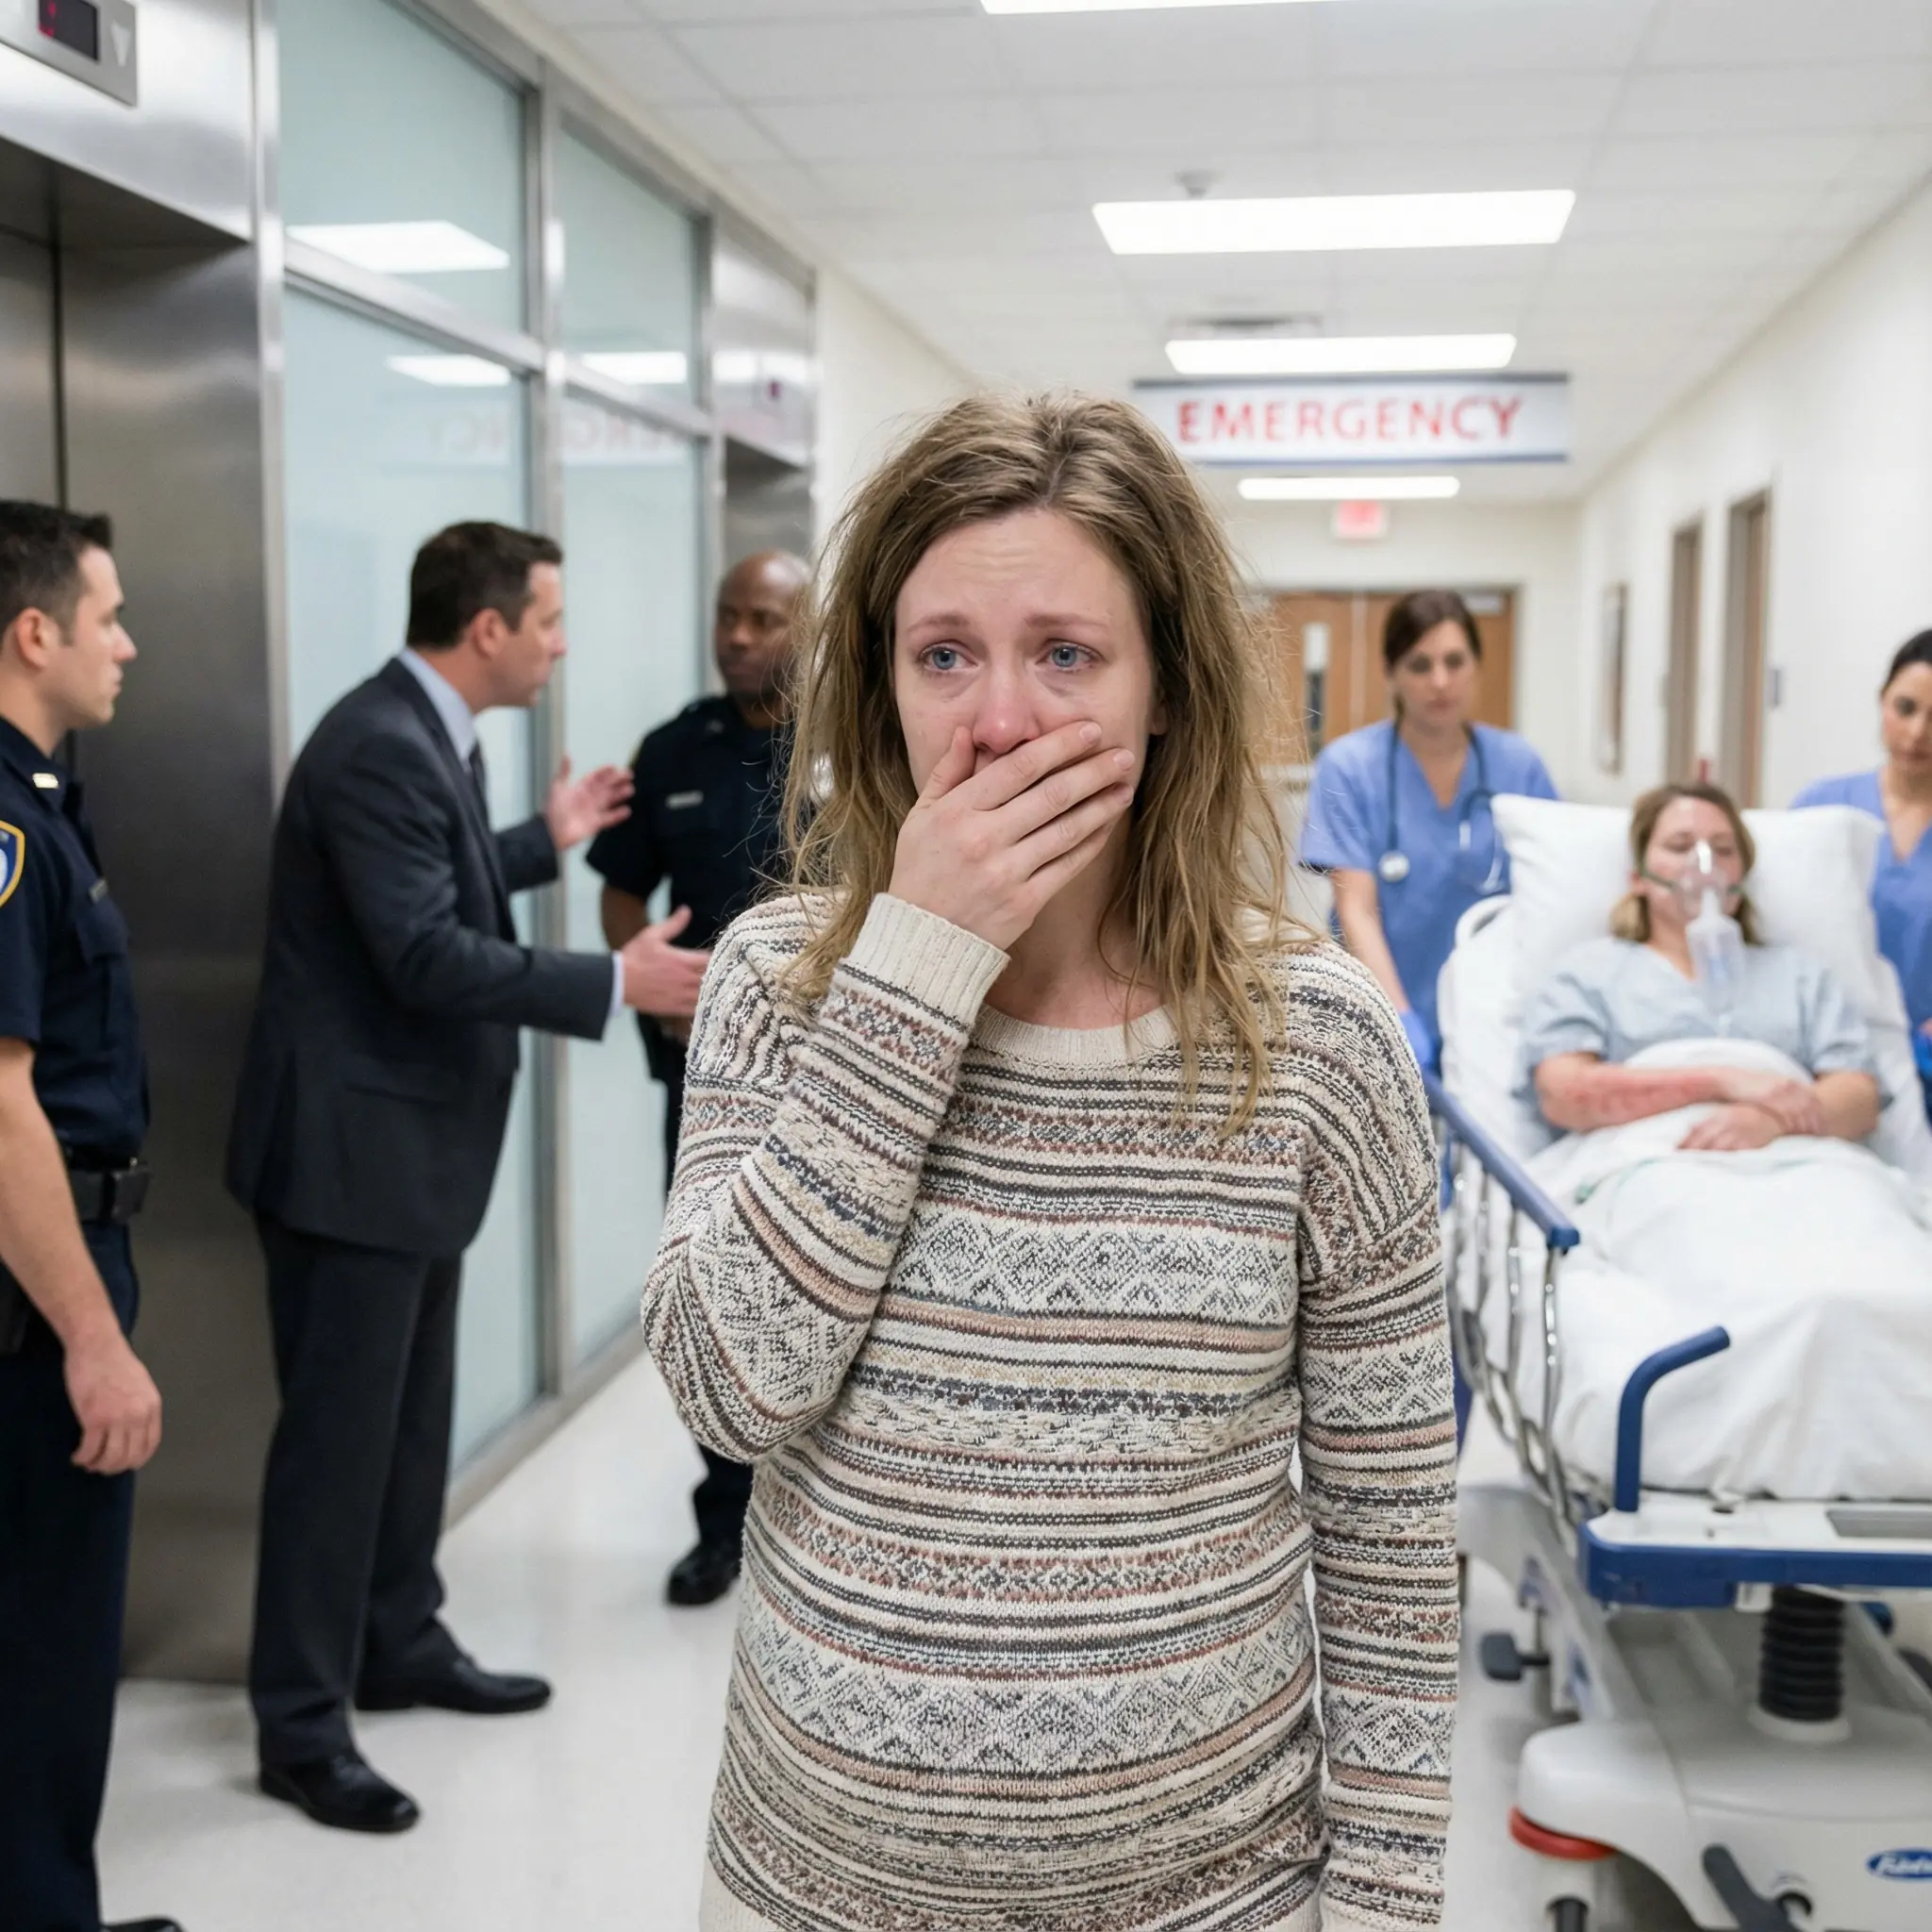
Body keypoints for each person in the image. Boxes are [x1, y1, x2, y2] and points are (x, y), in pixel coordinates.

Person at [643, 393, 1458, 1932]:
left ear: (1164, 694)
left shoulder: (1318, 1046)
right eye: (943, 653)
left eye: (1065, 654)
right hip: (813, 1885)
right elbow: (723, 1392)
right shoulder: (772, 984)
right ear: (881, 690)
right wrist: (912, 972)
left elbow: (1392, 1544)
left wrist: (1385, 1901)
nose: (998, 720)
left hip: (1211, 1893)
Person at [226, 521, 708, 1836]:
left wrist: (537, 840)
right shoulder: (380, 740)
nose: (561, 644)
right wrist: (617, 980)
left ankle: (397, 1637)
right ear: (486, 628)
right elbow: (422, 957)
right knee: (336, 1452)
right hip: (347, 1163)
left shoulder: (418, 731)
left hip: (407, 1158)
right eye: (548, 619)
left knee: (405, 1432)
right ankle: (302, 1726)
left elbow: (423, 884)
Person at [0, 503, 182, 1932]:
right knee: (44, 1649)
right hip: (31, 1297)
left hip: (67, 1255)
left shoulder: (43, 804)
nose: (126, 642)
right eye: (107, 614)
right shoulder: (3, 823)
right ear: (35, 631)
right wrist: (89, 1338)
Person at [589, 550, 808, 1608]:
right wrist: (662, 985)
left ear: (804, 628)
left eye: (762, 617)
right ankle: (722, 1522)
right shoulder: (672, 746)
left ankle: (818, 1517)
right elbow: (621, 895)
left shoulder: (856, 743)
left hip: (842, 1072)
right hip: (710, 1077)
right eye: (728, 614)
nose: (736, 634)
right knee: (718, 1287)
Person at [1523, 781, 1882, 1146]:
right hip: (1649, 1162)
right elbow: (1563, 1093)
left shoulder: (1800, 976)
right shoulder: (1590, 973)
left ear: (1741, 877)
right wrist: (1721, 1082)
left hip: (1796, 1165)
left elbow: (1860, 1098)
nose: (1703, 862)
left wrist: (1768, 1121)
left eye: (1723, 849)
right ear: (1639, 879)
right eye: (1680, 846)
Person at [1299, 589, 1557, 1073]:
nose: (1440, 681)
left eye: (1455, 661)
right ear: (1390, 673)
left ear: (1477, 665)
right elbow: (1357, 908)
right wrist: (1396, 1020)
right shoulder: (1350, 767)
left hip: (1494, 1010)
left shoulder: (1519, 767)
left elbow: (1550, 897)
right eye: (1420, 665)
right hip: (1376, 1004)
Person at [1793, 629, 1932, 1117]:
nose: (1917, 733)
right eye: (1906, 708)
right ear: (1881, 702)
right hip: (1823, 1055)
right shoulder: (1820, 809)